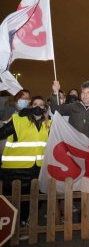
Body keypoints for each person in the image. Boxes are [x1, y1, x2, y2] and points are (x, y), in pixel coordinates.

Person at [0, 96, 51, 232]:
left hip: (37, 169)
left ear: (45, 108)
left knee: (33, 199)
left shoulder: (49, 124)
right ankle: (10, 226)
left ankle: (23, 222)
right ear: (30, 106)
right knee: (12, 200)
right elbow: (1, 133)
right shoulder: (18, 119)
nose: (38, 107)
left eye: (41, 105)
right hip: (14, 169)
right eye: (35, 104)